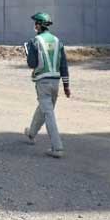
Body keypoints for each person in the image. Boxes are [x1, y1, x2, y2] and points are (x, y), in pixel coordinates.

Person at [23, 12, 70, 158]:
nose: (34, 26)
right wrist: (66, 85)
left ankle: (57, 148)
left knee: (48, 113)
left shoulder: (34, 41)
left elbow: (32, 64)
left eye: (35, 23)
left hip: (42, 82)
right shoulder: (57, 41)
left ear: (38, 25)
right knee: (43, 109)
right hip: (55, 82)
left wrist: (28, 53)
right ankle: (31, 133)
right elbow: (63, 64)